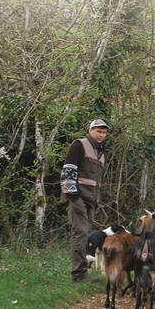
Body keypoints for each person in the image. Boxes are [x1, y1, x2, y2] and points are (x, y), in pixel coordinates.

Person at [60, 119, 109, 282]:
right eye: (98, 131)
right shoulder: (79, 145)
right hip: (77, 198)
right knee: (80, 233)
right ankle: (79, 274)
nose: (101, 135)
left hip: (90, 200)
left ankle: (81, 271)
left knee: (85, 234)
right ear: (90, 130)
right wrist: (73, 197)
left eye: (104, 132)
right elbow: (68, 170)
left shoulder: (100, 152)